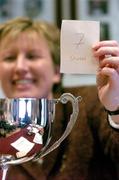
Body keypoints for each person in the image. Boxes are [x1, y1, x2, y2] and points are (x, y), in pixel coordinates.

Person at [0, 17, 119, 180]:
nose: (20, 67)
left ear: (56, 72)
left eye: (32, 56)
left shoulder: (90, 102)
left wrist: (116, 108)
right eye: (9, 58)